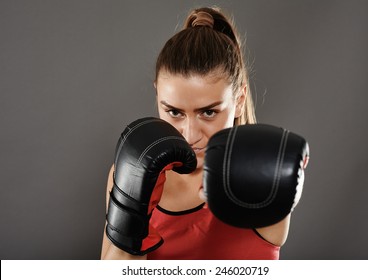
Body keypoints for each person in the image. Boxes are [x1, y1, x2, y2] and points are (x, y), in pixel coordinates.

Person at [101, 6, 309, 260]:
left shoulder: (259, 177)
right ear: (158, 95)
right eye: (174, 112)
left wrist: (276, 184)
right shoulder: (128, 172)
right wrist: (131, 215)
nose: (190, 135)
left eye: (208, 113)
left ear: (240, 99)